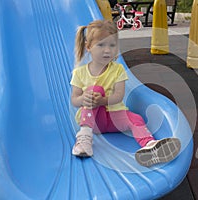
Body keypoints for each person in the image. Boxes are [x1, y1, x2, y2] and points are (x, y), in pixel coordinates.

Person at [70, 20, 181, 167]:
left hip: (115, 119)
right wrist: (84, 98)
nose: (107, 50)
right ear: (89, 47)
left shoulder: (117, 70)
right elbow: (74, 100)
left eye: (112, 45)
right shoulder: (80, 73)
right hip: (94, 121)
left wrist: (103, 100)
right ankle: (84, 139)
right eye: (101, 45)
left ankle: (150, 145)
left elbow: (118, 96)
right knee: (93, 91)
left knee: (135, 118)